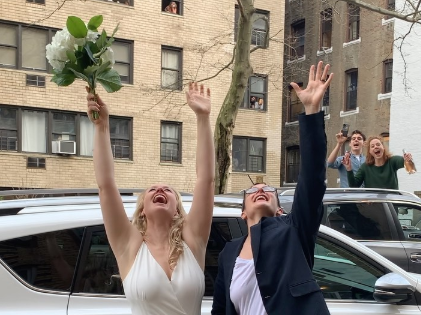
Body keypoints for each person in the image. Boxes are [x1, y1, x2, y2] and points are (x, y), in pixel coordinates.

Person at [211, 61, 332, 315]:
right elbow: (221, 310)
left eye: (269, 190)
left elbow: (312, 178)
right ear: (243, 212)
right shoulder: (229, 252)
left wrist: (311, 112)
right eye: (253, 191)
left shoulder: (294, 230)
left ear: (280, 210)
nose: (260, 190)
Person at [86, 82, 214, 315]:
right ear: (142, 209)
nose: (160, 191)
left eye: (168, 190)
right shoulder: (128, 244)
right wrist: (102, 126)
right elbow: (106, 185)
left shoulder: (193, 240)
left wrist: (203, 118)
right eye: (153, 189)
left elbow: (205, 180)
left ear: (177, 209)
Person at [344, 136, 413, 189]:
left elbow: (403, 162)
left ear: (383, 147)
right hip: (374, 204)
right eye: (372, 146)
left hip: (391, 205)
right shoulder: (365, 167)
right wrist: (349, 169)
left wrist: (407, 160)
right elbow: (354, 186)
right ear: (370, 152)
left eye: (378, 144)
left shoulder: (392, 161)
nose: (376, 147)